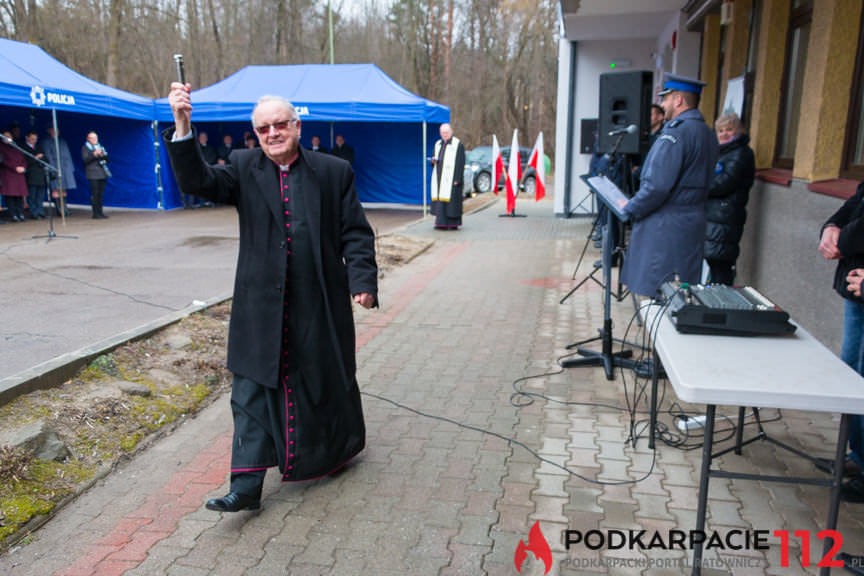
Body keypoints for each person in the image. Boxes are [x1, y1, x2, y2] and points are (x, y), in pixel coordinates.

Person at [164, 82, 378, 513]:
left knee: (321, 381)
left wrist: (363, 281)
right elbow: (196, 180)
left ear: (297, 125)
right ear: (255, 134)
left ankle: (333, 452)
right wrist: (183, 123)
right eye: (264, 128)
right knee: (250, 389)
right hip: (259, 306)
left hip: (318, 300)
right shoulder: (243, 167)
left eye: (281, 124)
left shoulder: (334, 171)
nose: (273, 133)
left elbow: (355, 231)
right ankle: (245, 487)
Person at [618, 74, 719, 297]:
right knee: (682, 295)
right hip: (692, 222)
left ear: (678, 100)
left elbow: (657, 186)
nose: (662, 105)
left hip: (666, 226)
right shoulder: (707, 133)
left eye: (666, 99)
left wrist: (629, 208)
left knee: (660, 295)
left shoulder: (676, 133)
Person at [819, 182, 864, 504]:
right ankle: (859, 457)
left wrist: (843, 240)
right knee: (852, 376)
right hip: (856, 290)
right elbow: (853, 206)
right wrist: (831, 228)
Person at [703, 113, 755, 285]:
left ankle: (721, 304)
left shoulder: (741, 153)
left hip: (726, 215)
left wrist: (699, 187)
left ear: (738, 131)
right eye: (720, 130)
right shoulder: (721, 152)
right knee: (714, 260)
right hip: (715, 215)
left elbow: (725, 183)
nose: (724, 134)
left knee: (721, 262)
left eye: (729, 129)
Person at [429, 123, 466, 230]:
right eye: (442, 133)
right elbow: (434, 158)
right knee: (440, 203)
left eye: (446, 132)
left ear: (451, 132)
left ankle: (452, 224)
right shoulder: (438, 144)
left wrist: (457, 179)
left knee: (451, 203)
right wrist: (432, 161)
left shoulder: (457, 144)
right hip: (439, 177)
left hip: (452, 179)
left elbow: (460, 162)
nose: (444, 135)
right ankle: (440, 223)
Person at [43, 126, 76, 217]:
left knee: (64, 189)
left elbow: (68, 155)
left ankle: (65, 209)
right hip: (56, 168)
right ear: (49, 130)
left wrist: (71, 168)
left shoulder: (62, 141)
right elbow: (48, 156)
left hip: (66, 168)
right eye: (53, 129)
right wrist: (52, 168)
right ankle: (59, 210)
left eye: (57, 129)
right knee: (56, 189)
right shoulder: (47, 141)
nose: (56, 131)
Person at [0, 129, 28, 222]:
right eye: (5, 136)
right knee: (10, 196)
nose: (7, 138)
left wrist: (23, 167)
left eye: (9, 136)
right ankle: (13, 215)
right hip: (9, 174)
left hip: (19, 175)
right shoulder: (1, 147)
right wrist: (14, 167)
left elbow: (23, 158)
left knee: (19, 196)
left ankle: (20, 214)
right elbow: (3, 160)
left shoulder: (16, 147)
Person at [82, 131, 111, 219]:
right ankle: (95, 213)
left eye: (95, 138)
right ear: (88, 139)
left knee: (100, 194)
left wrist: (102, 155)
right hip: (92, 174)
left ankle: (100, 211)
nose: (94, 140)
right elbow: (85, 160)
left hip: (102, 173)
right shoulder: (85, 148)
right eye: (92, 138)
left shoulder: (100, 147)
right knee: (95, 193)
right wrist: (94, 155)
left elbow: (107, 159)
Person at [23, 130, 48, 220]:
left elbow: (46, 159)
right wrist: (35, 158)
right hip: (31, 175)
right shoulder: (23, 147)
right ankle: (33, 212)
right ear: (27, 138)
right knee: (32, 195)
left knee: (40, 195)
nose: (34, 141)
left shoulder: (39, 147)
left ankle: (40, 211)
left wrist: (42, 158)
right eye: (32, 139)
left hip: (41, 175)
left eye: (35, 139)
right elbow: (25, 161)